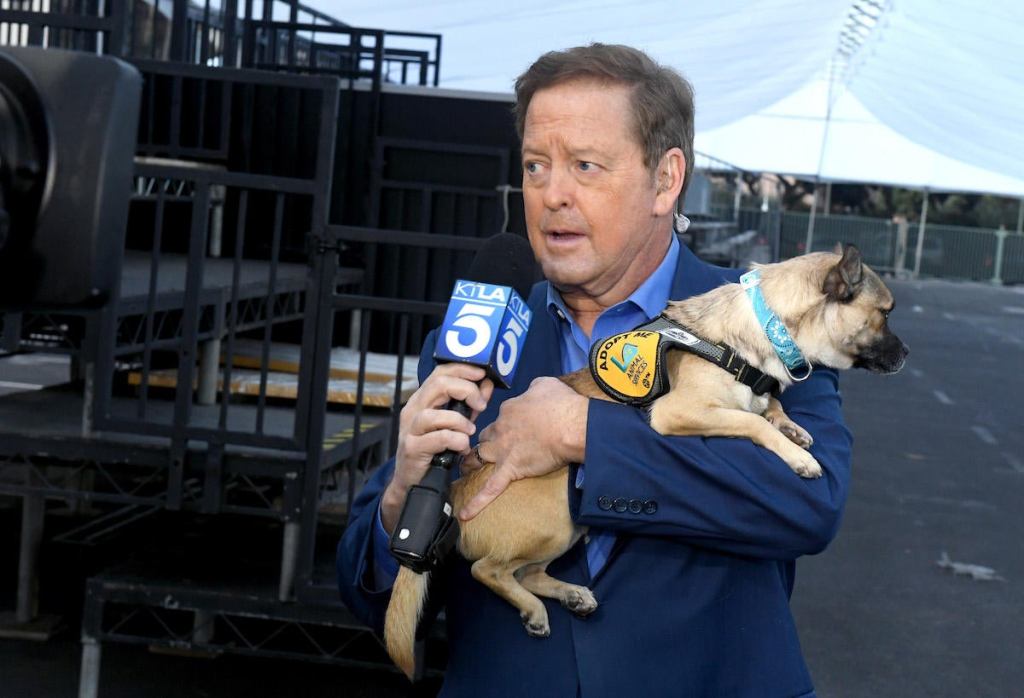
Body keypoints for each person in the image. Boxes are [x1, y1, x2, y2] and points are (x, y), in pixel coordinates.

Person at [337, 43, 851, 698]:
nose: (552, 195)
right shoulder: (475, 342)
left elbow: (809, 502)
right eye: (535, 166)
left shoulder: (763, 324)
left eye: (585, 166)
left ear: (665, 180)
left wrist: (585, 434)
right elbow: (368, 591)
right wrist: (400, 499)